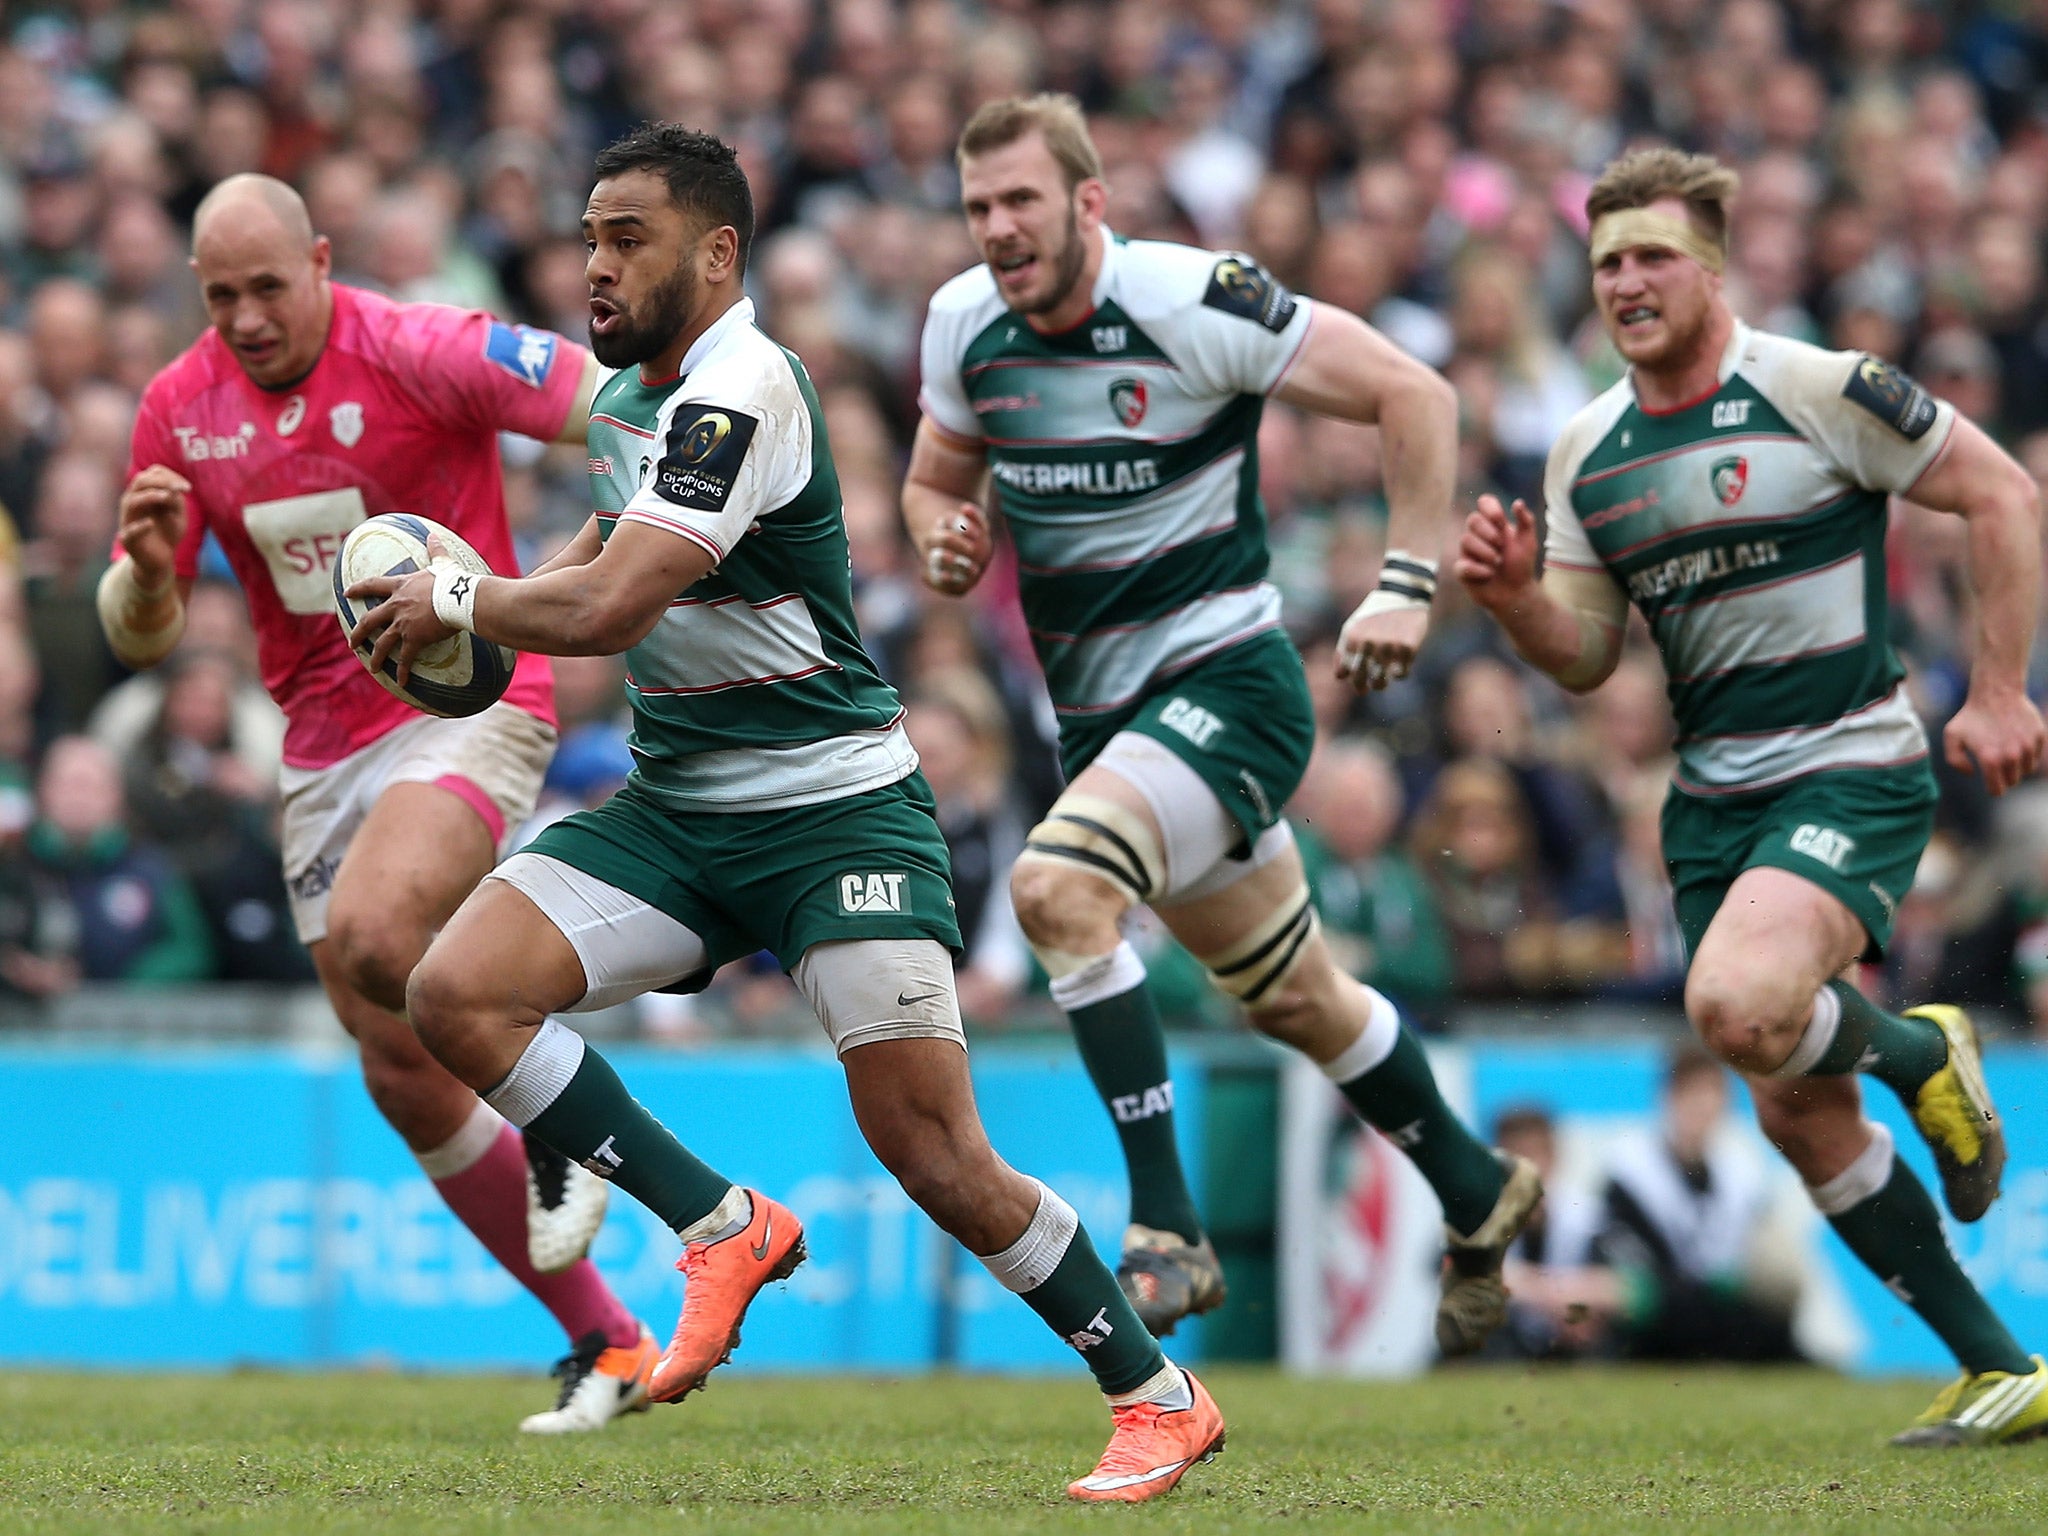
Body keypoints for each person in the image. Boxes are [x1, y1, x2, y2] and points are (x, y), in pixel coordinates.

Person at [348, 123, 1224, 1506]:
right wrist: (461, 644)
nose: (594, 265)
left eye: (625, 239)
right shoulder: (631, 404)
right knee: (453, 990)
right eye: (586, 238)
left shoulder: (741, 390)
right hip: (680, 809)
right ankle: (719, 1220)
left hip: (835, 818)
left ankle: (1156, 1397)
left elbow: (617, 602)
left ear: (717, 252)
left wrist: (468, 598)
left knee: (932, 1149)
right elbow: (572, 587)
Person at [903, 94, 1540, 1347]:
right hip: (1102, 726)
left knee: (1056, 891)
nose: (997, 228)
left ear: (1089, 203)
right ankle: (1477, 1185)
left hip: (1228, 691)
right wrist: (941, 532)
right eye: (979, 206)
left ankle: (1166, 1230)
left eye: (1021, 200)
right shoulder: (961, 327)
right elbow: (934, 475)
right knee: (1294, 995)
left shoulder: (1194, 302)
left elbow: (1413, 393)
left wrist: (1408, 581)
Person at [1456, 145, 2048, 1445]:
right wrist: (1510, 605)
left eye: (1654, 254)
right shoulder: (1587, 453)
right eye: (1607, 260)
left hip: (1851, 762)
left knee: (1731, 1001)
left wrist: (2000, 690)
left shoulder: (1819, 389)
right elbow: (1585, 653)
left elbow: (2005, 496)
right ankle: (2003, 1366)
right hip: (1711, 799)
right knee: (1787, 1093)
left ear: (1714, 266)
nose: (1626, 280)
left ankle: (1922, 1048)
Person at [95, 173, 650, 1435]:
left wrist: (634, 529)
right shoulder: (180, 409)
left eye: (267, 288)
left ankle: (562, 1099)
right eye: (220, 295)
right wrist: (138, 571)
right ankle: (606, 1342)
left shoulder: (418, 347)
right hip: (318, 751)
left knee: (378, 937)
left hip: (466, 704)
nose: (244, 317)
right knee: (399, 1066)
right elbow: (141, 632)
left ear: (323, 262)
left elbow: (600, 400)